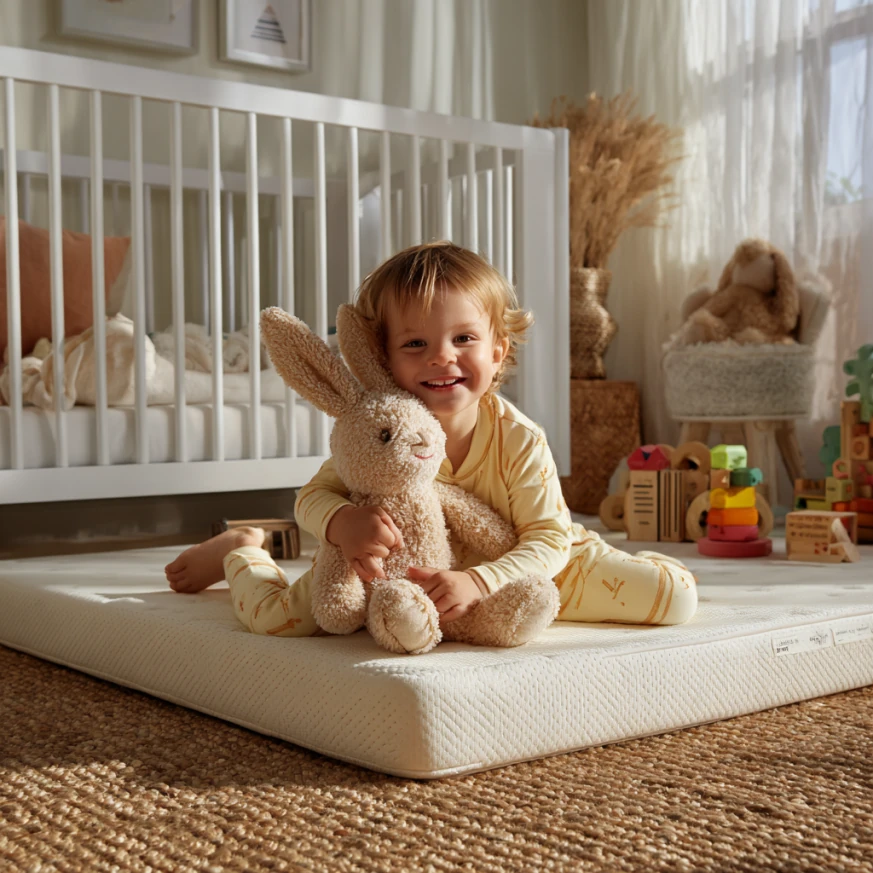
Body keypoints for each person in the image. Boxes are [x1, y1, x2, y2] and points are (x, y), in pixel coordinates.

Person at [165, 241, 697, 636]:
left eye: (463, 338)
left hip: (520, 565)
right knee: (282, 620)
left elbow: (548, 540)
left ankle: (641, 561)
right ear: (381, 358)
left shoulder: (518, 438)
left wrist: (481, 582)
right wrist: (343, 522)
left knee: (676, 600)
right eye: (415, 343)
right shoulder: (382, 433)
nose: (441, 357)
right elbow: (312, 497)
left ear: (497, 351)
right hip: (408, 569)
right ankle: (240, 553)